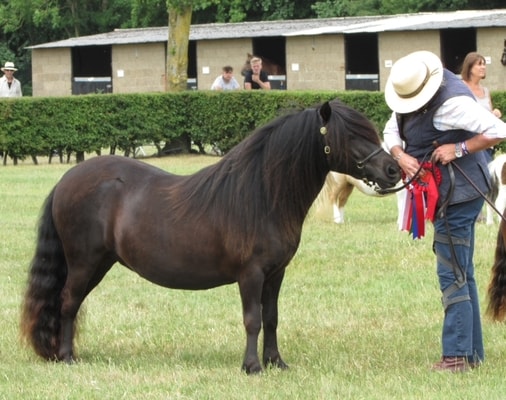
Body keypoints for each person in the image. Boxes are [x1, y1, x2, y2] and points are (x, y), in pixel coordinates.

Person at [383, 50, 506, 372]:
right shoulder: (407, 96)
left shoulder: (452, 103)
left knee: (451, 273)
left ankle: (456, 357)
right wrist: (400, 155)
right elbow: (391, 132)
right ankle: (471, 354)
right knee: (462, 272)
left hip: (462, 193)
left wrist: (460, 148)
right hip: (448, 193)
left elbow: (499, 130)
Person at [461, 52, 502, 161]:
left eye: (484, 64)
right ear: (469, 68)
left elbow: (489, 114)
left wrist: (495, 113)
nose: (483, 67)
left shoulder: (486, 90)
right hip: (471, 144)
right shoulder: (461, 88)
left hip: (487, 144)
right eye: (479, 64)